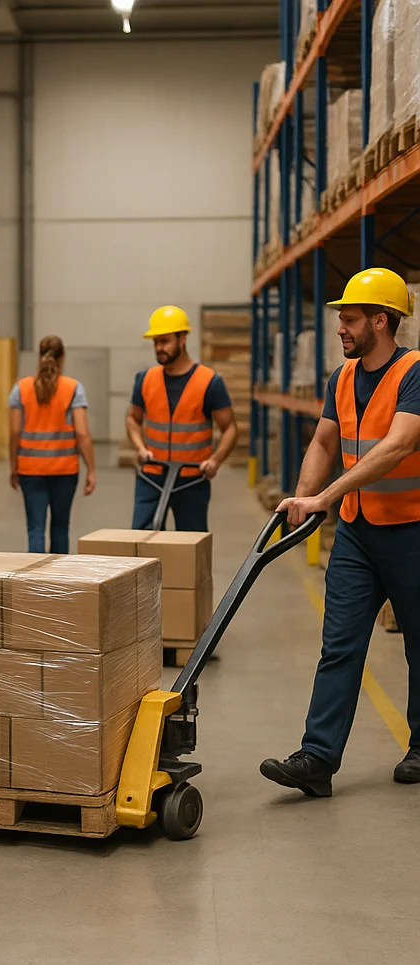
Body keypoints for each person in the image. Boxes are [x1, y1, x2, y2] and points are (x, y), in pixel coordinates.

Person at [261, 268, 420, 798]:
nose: (341, 329)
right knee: (339, 645)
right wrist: (305, 502)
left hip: (411, 528)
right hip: (357, 531)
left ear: (381, 320)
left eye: (349, 319)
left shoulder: (414, 373)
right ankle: (318, 757)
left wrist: (327, 497)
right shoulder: (342, 378)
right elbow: (324, 443)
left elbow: (398, 446)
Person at [127, 305, 239, 531]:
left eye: (165, 341)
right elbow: (132, 418)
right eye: (156, 342)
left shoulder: (209, 382)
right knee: (141, 541)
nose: (159, 348)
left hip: (192, 479)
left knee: (190, 545)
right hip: (151, 476)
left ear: (182, 339)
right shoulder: (145, 379)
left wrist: (215, 461)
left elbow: (230, 429)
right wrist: (140, 447)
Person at [8, 335, 96, 554]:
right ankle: (58, 584)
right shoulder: (73, 389)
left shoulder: (21, 389)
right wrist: (91, 470)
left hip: (30, 470)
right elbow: (83, 433)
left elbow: (14, 432)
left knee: (35, 530)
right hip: (64, 470)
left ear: (40, 356)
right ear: (63, 357)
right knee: (60, 528)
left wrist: (13, 468)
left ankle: (34, 584)